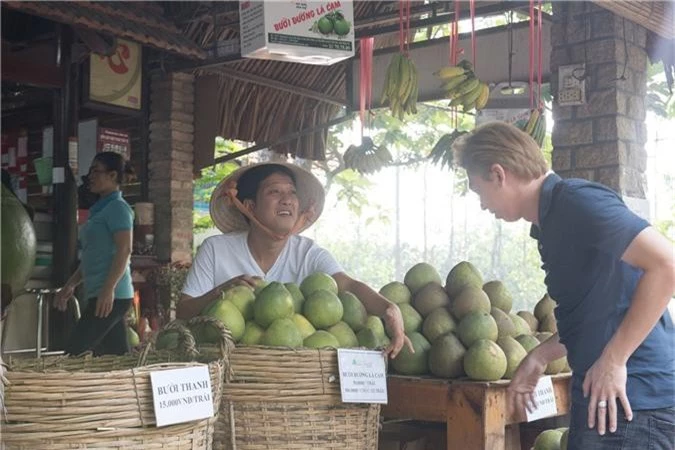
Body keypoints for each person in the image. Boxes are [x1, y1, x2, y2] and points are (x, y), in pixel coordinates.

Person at [452, 121, 674, 449]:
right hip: (602, 399)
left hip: (633, 404)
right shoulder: (551, 222)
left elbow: (667, 265)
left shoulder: (577, 202)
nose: (483, 204)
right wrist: (539, 356)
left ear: (498, 174)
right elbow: (594, 312)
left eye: (478, 190)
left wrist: (614, 359)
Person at [178, 162, 412, 358]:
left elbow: (348, 285)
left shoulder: (308, 253)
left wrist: (389, 309)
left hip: (297, 382)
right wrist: (222, 291)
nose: (287, 200)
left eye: (292, 193)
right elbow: (183, 311)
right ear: (249, 206)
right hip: (230, 373)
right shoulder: (216, 249)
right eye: (274, 192)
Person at [54, 152, 135, 356]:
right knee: (116, 357)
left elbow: (125, 250)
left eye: (96, 171)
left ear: (113, 175)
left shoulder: (118, 208)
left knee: (74, 351)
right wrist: (70, 284)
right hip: (102, 294)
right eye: (90, 171)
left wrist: (108, 289)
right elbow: (92, 258)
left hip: (112, 296)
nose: (90, 176)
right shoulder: (99, 211)